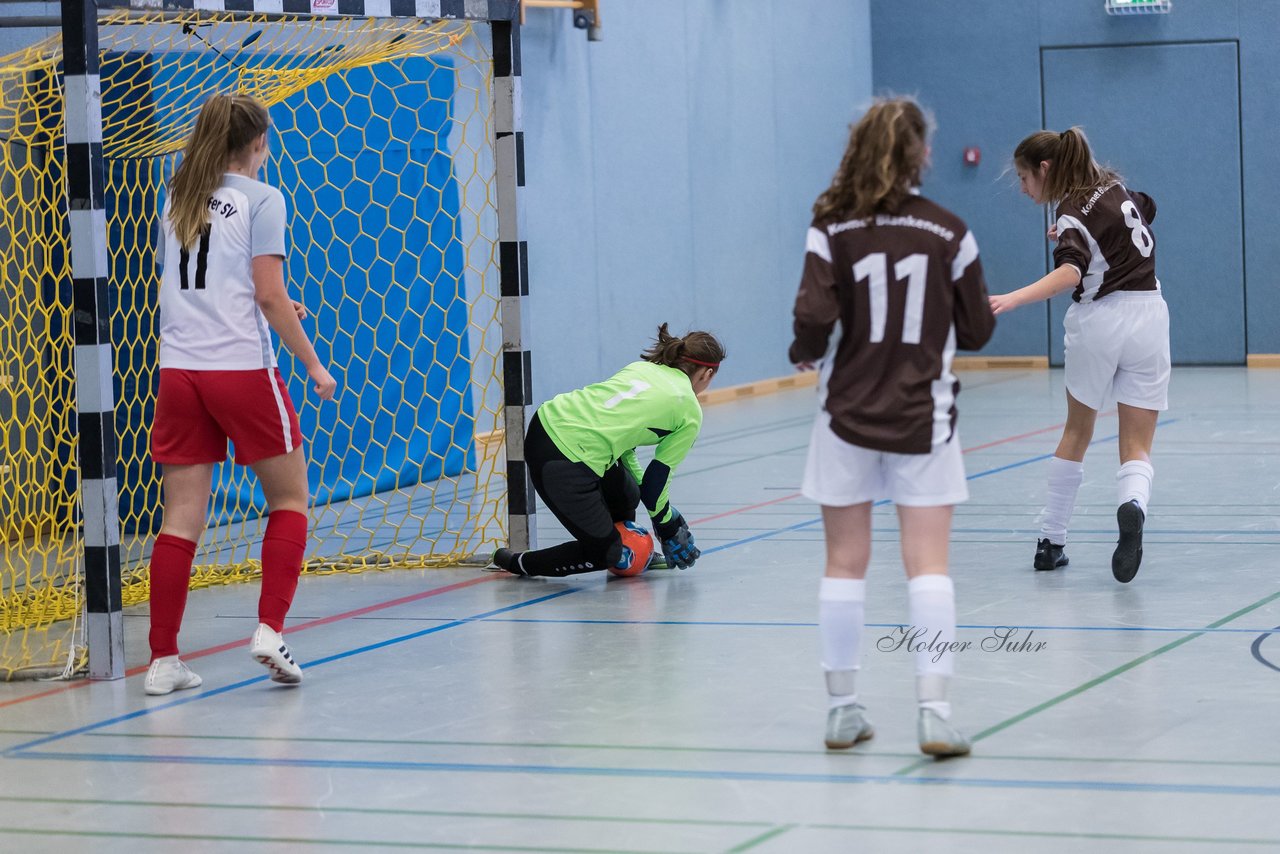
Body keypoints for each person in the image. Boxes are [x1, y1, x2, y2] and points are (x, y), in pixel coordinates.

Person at [790, 97, 995, 757]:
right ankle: (934, 711)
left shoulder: (831, 225)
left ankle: (842, 709)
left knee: (845, 563)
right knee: (928, 565)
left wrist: (806, 351)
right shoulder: (952, 231)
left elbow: (813, 316)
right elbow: (978, 330)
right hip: (924, 416)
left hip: (844, 412)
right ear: (920, 154)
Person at [144, 94, 337, 696]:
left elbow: (212, 283)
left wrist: (275, 308)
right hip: (241, 372)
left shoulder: (175, 195)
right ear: (257, 142)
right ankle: (269, 629)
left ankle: (162, 660)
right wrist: (314, 365)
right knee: (290, 501)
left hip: (179, 372)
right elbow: (268, 294)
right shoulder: (264, 199)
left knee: (180, 517)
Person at [989, 127, 1169, 584]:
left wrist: (1014, 297)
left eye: (1025, 179)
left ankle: (1051, 542)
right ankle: (1132, 506)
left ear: (1046, 169)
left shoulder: (1071, 213)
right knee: (1137, 445)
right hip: (1149, 315)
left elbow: (1071, 272)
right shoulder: (1115, 186)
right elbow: (1146, 209)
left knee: (1077, 431)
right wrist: (1086, 234)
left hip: (1100, 323)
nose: (1024, 190)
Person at [492, 324, 724, 578]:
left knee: (626, 495)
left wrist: (660, 514)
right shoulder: (689, 411)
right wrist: (667, 525)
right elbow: (656, 485)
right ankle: (519, 563)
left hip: (546, 422)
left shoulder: (643, 369)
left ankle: (633, 550)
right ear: (707, 374)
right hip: (565, 460)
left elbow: (627, 453)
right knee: (605, 554)